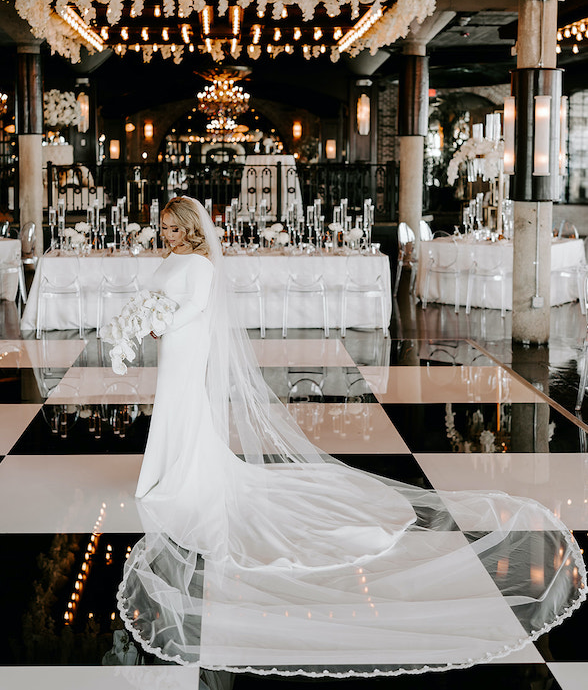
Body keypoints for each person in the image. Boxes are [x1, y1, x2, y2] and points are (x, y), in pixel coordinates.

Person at [114, 196, 586, 677]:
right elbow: (164, 300)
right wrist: (150, 319)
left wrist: (158, 321)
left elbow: (192, 307)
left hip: (183, 345)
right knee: (172, 406)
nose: (167, 234)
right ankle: (167, 468)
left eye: (174, 227)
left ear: (191, 228)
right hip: (172, 346)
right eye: (163, 227)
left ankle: (181, 472)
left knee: (183, 404)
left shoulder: (199, 265)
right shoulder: (172, 259)